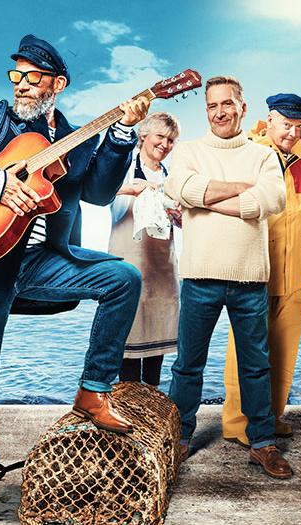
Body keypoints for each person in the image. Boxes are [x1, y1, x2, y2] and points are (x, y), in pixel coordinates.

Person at [0, 34, 150, 518]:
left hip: (41, 260)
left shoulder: (78, 137)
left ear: (57, 84)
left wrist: (122, 134)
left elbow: (100, 192)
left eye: (33, 77)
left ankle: (94, 390)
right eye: (16, 76)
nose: (22, 86)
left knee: (123, 279)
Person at [161, 76, 294, 479]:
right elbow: (180, 188)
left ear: (242, 107)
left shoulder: (264, 156)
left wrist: (207, 198)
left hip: (250, 278)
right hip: (200, 275)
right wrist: (241, 191)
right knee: (187, 366)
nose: (219, 112)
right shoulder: (188, 151)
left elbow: (272, 199)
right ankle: (178, 439)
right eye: (212, 105)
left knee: (256, 366)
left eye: (227, 104)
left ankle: (263, 444)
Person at [221, 93, 301, 445]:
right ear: (269, 120)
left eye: (298, 126)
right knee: (246, 350)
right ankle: (238, 423)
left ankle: (270, 416)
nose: (292, 133)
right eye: (286, 125)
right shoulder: (248, 149)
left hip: (295, 268)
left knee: (283, 348)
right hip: (254, 267)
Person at [108, 112, 182, 387]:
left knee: (157, 339)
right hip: (129, 261)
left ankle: (151, 403)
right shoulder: (126, 167)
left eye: (171, 139)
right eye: (160, 136)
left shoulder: (170, 176)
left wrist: (179, 214)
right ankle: (128, 402)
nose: (165, 144)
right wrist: (135, 189)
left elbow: (179, 219)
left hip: (163, 267)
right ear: (143, 137)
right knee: (127, 334)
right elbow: (103, 194)